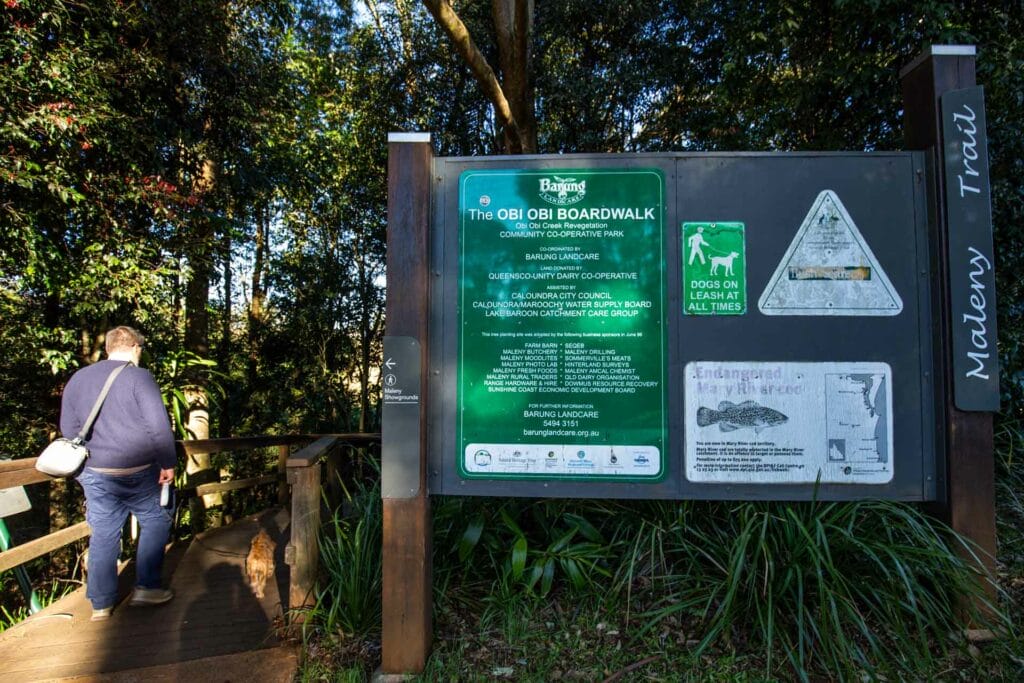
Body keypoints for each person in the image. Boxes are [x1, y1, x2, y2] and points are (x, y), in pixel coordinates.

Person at [60, 326, 177, 621]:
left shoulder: (78, 379)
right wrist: (168, 463)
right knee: (157, 518)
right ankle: (147, 587)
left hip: (96, 472)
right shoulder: (140, 377)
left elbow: (68, 429)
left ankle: (101, 604)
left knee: (103, 533)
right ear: (135, 347)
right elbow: (158, 425)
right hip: (139, 472)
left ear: (108, 348)